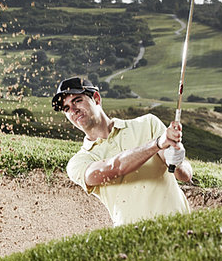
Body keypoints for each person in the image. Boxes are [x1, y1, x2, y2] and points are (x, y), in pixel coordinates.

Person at [52, 76, 193, 226]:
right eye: (66, 108)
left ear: (96, 98)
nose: (73, 110)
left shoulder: (147, 123)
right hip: (132, 240)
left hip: (179, 227)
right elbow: (115, 167)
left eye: (77, 101)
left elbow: (184, 175)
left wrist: (177, 161)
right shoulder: (78, 162)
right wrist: (156, 144)